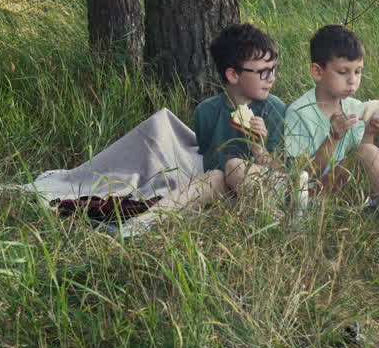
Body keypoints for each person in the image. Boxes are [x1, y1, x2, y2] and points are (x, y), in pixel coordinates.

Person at [105, 23, 293, 237]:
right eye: (263, 72)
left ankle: (278, 223)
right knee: (215, 175)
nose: (272, 77)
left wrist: (258, 147)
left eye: (273, 69)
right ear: (233, 75)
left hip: (269, 189)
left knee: (234, 166)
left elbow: (283, 173)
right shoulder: (206, 112)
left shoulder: (274, 109)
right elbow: (212, 166)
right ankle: (136, 227)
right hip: (229, 193)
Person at [283, 24, 379, 214]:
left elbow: (362, 155)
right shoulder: (300, 112)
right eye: (343, 72)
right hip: (319, 191)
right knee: (368, 153)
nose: (352, 80)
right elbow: (301, 175)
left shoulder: (353, 106)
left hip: (356, 182)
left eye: (358, 71)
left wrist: (369, 132)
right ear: (318, 72)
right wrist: (333, 138)